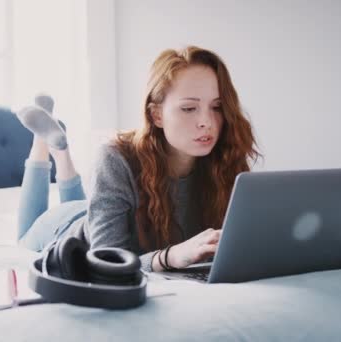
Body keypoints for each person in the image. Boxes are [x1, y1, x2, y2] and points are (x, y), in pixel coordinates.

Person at [16, 45, 260, 272]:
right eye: (189, 108)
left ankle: (60, 149)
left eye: (217, 107)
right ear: (156, 115)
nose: (207, 121)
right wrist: (168, 257)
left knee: (88, 204)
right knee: (22, 235)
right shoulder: (115, 157)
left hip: (98, 211)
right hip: (64, 227)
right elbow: (106, 261)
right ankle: (44, 142)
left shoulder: (225, 158)